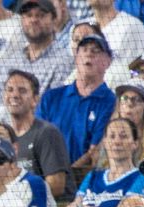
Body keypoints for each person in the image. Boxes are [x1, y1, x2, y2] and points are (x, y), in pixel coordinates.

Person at [64, 117, 144, 207]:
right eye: (112, 136)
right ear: (105, 142)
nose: (117, 141)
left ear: (135, 143)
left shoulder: (140, 177)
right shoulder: (92, 176)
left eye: (123, 136)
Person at [37, 33, 115, 172]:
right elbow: (37, 140)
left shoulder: (111, 102)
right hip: (45, 174)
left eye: (96, 51)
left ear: (108, 62)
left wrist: (66, 177)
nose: (89, 54)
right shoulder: (51, 97)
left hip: (82, 179)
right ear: (76, 58)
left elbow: (94, 153)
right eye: (84, 50)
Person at [4, 69, 71, 200]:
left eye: (22, 91)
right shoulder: (4, 135)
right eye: (10, 90)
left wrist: (18, 196)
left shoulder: (47, 133)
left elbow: (56, 185)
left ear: (35, 99)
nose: (15, 95)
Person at [0, 0, 72, 95]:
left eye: (41, 15)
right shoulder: (9, 60)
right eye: (29, 15)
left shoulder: (64, 61)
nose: (34, 20)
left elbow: (53, 104)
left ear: (53, 20)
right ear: (22, 20)